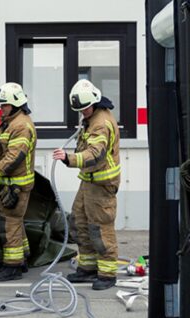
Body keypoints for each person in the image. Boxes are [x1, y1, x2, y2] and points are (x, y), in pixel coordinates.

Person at [52, 79, 120, 290]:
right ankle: (88, 268)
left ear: (95, 102)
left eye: (85, 109)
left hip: (101, 185)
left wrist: (68, 158)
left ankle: (107, 274)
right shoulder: (92, 118)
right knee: (80, 222)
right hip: (89, 182)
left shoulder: (100, 124)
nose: (83, 113)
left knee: (100, 228)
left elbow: (94, 154)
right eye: (80, 110)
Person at [0, 82, 36, 281]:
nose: (1, 109)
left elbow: (14, 158)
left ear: (15, 103)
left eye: (4, 105)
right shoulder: (11, 121)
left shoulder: (21, 126)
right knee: (15, 222)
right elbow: (3, 145)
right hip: (8, 183)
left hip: (16, 185)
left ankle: (13, 267)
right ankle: (23, 258)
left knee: (10, 224)